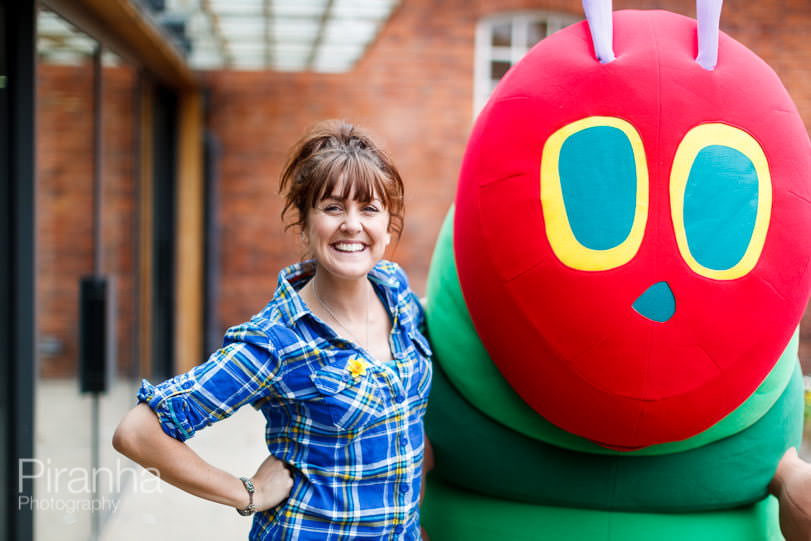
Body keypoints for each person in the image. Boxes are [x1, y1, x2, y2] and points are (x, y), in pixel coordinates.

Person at [112, 119, 433, 540]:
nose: (352, 224)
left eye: (369, 208)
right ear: (303, 224)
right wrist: (246, 492)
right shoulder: (276, 341)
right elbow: (137, 432)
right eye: (333, 207)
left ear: (389, 227)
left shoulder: (396, 293)